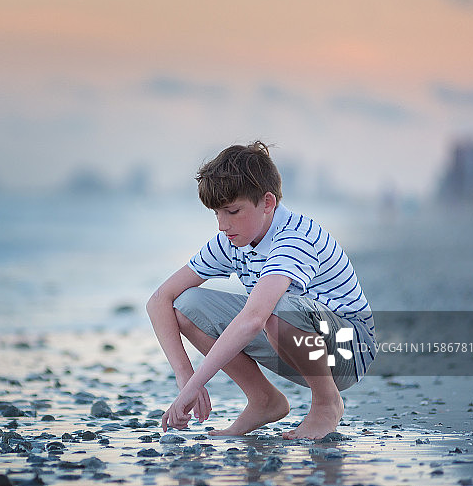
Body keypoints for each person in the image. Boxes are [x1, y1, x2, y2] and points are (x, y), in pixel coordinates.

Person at [146, 141, 375, 439]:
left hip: (347, 351)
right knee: (186, 305)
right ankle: (263, 400)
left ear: (267, 203)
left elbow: (255, 317)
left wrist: (191, 390)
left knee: (275, 309)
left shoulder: (294, 238)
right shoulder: (233, 240)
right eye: (217, 214)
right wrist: (186, 379)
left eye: (232, 211)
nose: (222, 225)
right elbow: (159, 300)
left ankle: (327, 403)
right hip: (291, 340)